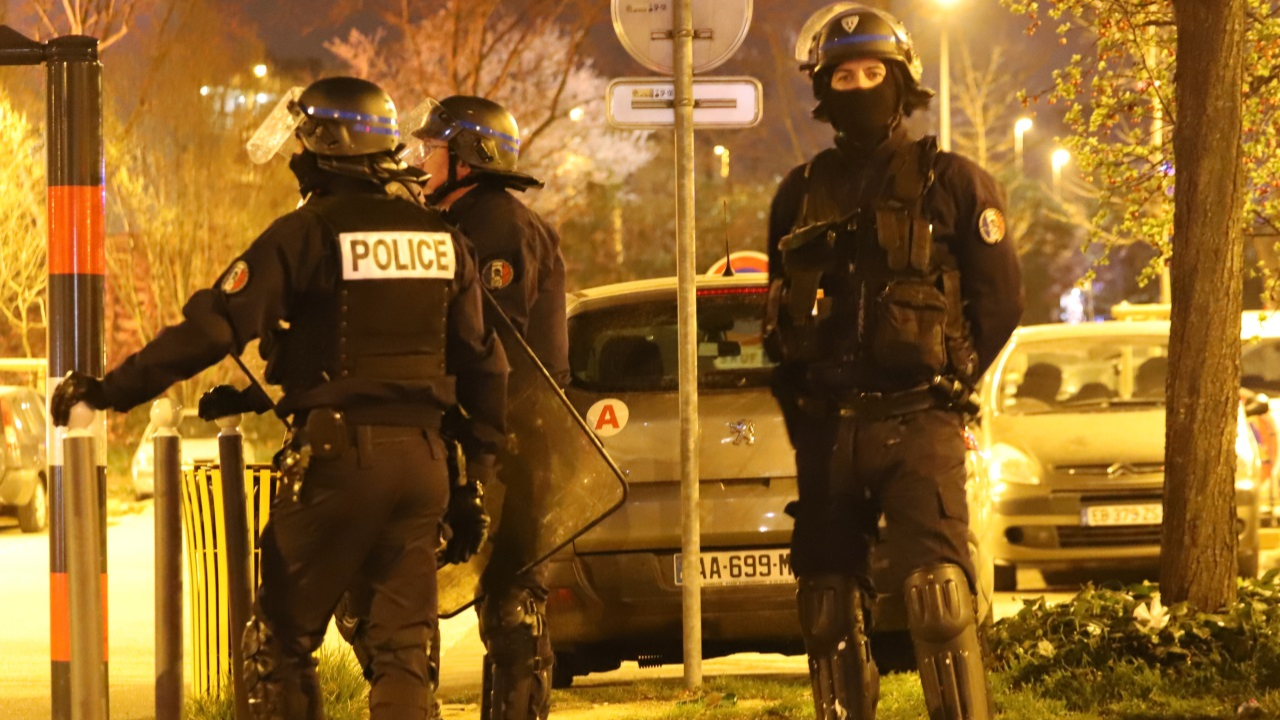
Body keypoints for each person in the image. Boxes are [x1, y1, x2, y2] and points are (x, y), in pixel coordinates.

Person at [50, 76, 508, 720]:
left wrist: (109, 391)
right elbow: (485, 367)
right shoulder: (441, 240)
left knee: (279, 643)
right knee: (404, 655)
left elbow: (217, 327)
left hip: (338, 462)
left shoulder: (308, 232)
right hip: (424, 467)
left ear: (327, 146)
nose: (295, 154)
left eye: (301, 141)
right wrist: (474, 481)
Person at [763, 6, 1023, 720]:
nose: (859, 87)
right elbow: (777, 314)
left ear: (902, 82)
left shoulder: (955, 183)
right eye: (843, 77)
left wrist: (954, 378)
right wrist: (802, 414)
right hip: (829, 430)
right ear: (824, 90)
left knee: (939, 599)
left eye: (873, 73)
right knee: (825, 605)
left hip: (919, 423)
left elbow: (1001, 301)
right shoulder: (798, 192)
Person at [341, 95, 567, 720]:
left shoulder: (501, 227)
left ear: (468, 159)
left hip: (513, 444)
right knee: (394, 596)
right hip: (467, 437)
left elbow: (487, 340)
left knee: (511, 606)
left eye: (430, 149)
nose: (417, 160)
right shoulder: (453, 224)